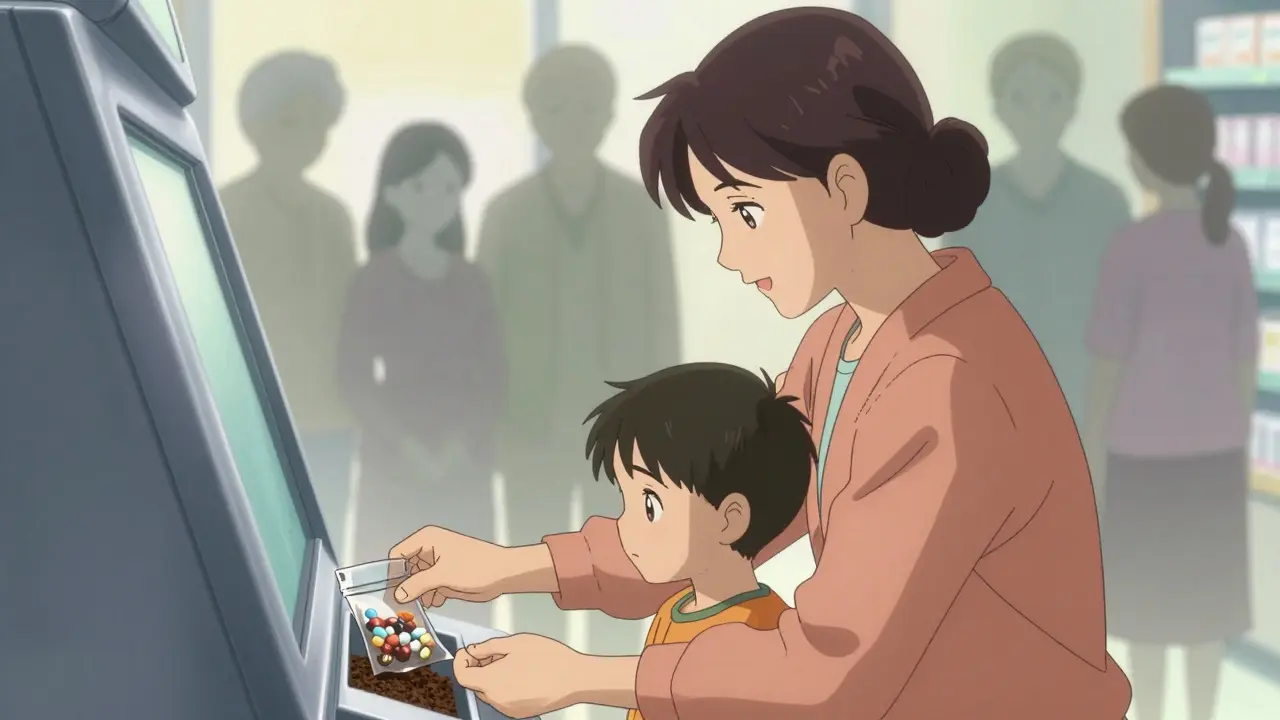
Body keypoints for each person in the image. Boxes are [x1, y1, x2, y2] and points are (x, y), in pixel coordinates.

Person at [392, 9, 1132, 719]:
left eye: (744, 213)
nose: (728, 253)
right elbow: (714, 518)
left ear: (845, 187)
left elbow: (828, 671)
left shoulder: (947, 382)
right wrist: (507, 568)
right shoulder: (840, 340)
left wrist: (584, 678)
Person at [476, 44, 681, 658]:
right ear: (535, 117)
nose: (572, 119)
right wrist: (490, 422)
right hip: (528, 426)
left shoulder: (640, 209)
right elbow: (482, 334)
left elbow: (663, 320)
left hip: (622, 434)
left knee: (621, 576)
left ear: (608, 114)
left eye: (586, 105)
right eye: (557, 107)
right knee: (540, 575)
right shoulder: (505, 213)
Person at [1084, 86, 1255, 720]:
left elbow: (1108, 367)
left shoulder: (1132, 246)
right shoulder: (1230, 244)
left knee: (1147, 620)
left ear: (1147, 159)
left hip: (1141, 461)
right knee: (1207, 616)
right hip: (1214, 457)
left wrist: (1095, 460)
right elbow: (1245, 359)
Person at [573, 363, 814, 720]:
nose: (625, 526)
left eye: (650, 505)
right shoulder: (673, 610)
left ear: (729, 520)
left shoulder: (763, 634)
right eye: (626, 501)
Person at [338, 122, 504, 627]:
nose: (436, 200)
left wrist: (462, 443)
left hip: (464, 466)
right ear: (391, 193)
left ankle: (468, 697)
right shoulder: (374, 279)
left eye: (449, 189)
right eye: (421, 187)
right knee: (392, 626)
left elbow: (495, 376)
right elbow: (353, 376)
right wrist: (404, 444)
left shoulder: (473, 281)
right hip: (392, 463)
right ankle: (395, 705)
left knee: (466, 612)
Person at [944, 33, 1131, 422]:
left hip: (1086, 405)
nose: (1037, 115)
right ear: (999, 110)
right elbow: (951, 313)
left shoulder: (1106, 203)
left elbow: (1124, 318)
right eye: (1020, 100)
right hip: (994, 403)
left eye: (1053, 98)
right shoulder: (971, 202)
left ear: (1072, 108)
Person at [220, 51, 358, 554]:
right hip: (252, 417)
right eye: (288, 120)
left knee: (328, 550)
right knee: (252, 549)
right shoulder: (226, 208)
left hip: (330, 419)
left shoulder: (335, 216)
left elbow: (354, 323)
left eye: (316, 124)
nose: (302, 135)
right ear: (253, 123)